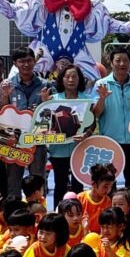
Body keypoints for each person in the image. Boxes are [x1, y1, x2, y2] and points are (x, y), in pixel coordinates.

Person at [0, 46, 52, 198]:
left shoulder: (45, 84)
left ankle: (38, 211)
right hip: (14, 140)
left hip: (37, 139)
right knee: (13, 180)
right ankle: (14, 212)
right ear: (15, 63)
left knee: (38, 179)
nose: (26, 64)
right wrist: (5, 97)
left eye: (29, 60)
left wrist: (45, 104)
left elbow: (50, 115)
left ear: (34, 61)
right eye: (22, 61)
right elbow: (2, 113)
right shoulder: (7, 85)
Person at [93, 48, 130, 195]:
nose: (122, 63)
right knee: (109, 180)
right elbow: (96, 113)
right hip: (110, 141)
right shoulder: (101, 84)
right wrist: (102, 98)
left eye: (125, 60)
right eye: (118, 60)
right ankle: (109, 214)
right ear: (111, 63)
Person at [46, 64, 96, 206]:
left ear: (80, 80)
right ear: (61, 80)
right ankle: (58, 215)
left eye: (74, 76)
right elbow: (45, 123)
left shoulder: (86, 99)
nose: (71, 79)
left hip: (79, 148)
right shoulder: (52, 99)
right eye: (67, 76)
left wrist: (87, 134)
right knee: (60, 184)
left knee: (78, 186)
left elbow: (92, 122)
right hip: (58, 150)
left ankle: (78, 214)